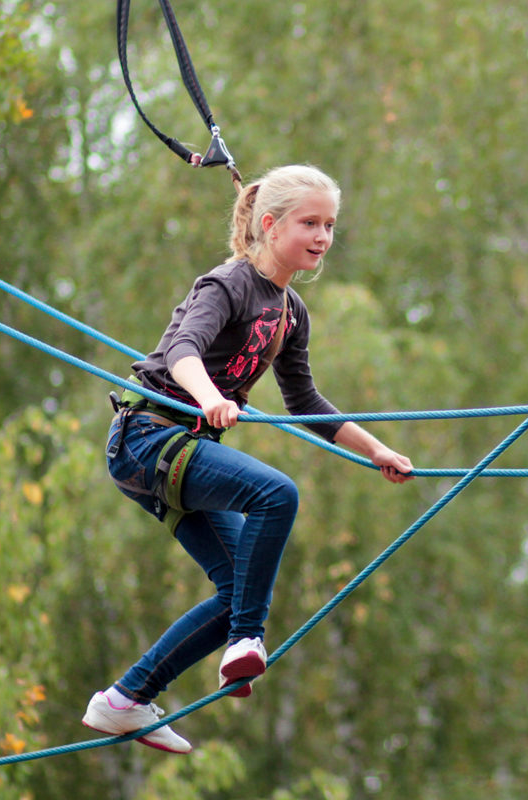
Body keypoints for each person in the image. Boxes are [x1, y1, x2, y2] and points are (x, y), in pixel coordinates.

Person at [81, 164, 414, 754]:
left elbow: (305, 401)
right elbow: (183, 349)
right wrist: (212, 399)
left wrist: (376, 449)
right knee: (276, 495)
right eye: (310, 223)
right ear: (269, 224)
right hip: (147, 438)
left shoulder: (290, 313)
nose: (323, 237)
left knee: (240, 584)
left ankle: (125, 699)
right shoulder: (227, 284)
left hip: (181, 452)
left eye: (330, 225)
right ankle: (246, 639)